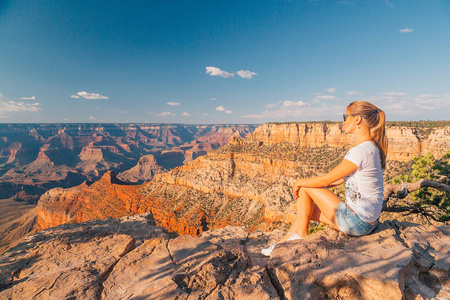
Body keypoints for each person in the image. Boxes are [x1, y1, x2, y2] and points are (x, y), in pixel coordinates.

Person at [261, 101, 388, 256]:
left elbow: (327, 179)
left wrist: (299, 183)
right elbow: (339, 180)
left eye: (345, 116)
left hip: (356, 222)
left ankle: (300, 235)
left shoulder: (359, 151)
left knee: (306, 188)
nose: (343, 121)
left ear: (357, 120)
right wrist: (318, 192)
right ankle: (281, 244)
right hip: (368, 223)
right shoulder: (372, 147)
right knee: (306, 212)